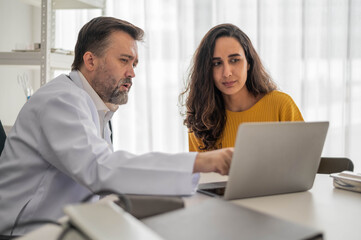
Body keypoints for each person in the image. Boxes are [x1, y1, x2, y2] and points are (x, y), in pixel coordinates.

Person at [0, 17, 233, 235]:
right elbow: (100, 168)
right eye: (124, 60)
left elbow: (106, 176)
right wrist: (203, 161)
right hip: (26, 232)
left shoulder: (98, 106)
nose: (132, 73)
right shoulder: (60, 101)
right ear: (90, 60)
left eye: (134, 63)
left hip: (67, 223)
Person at [180, 23, 303, 152]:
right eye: (216, 63)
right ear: (206, 70)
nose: (227, 73)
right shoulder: (201, 119)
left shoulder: (281, 105)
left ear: (248, 63)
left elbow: (305, 162)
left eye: (234, 60)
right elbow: (201, 172)